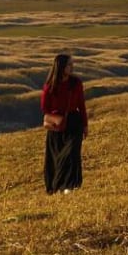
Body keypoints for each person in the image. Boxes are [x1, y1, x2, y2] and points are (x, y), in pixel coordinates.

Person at [40, 53, 88, 194]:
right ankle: (58, 186)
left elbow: (81, 105)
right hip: (57, 125)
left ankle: (70, 185)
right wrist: (56, 115)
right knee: (56, 156)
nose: (72, 67)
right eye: (69, 64)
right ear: (61, 66)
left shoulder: (76, 83)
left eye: (72, 64)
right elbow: (44, 107)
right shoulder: (50, 86)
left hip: (74, 121)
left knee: (71, 154)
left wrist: (85, 125)